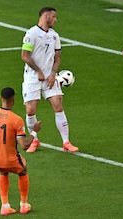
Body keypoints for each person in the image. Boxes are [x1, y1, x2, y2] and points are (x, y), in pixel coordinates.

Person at [21, 6, 78, 153]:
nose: (55, 19)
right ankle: (35, 140)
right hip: (32, 77)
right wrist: (39, 71)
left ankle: (66, 142)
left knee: (58, 105)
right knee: (30, 110)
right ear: (46, 16)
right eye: (53, 17)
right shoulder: (31, 33)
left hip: (49, 78)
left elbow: (57, 57)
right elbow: (25, 56)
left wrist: (53, 74)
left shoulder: (54, 36)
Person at [0, 87, 41, 215]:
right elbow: (24, 146)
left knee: (3, 172)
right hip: (10, 158)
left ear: (0, 98)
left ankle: (5, 206)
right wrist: (34, 131)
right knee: (23, 170)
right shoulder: (16, 119)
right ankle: (24, 205)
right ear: (13, 100)